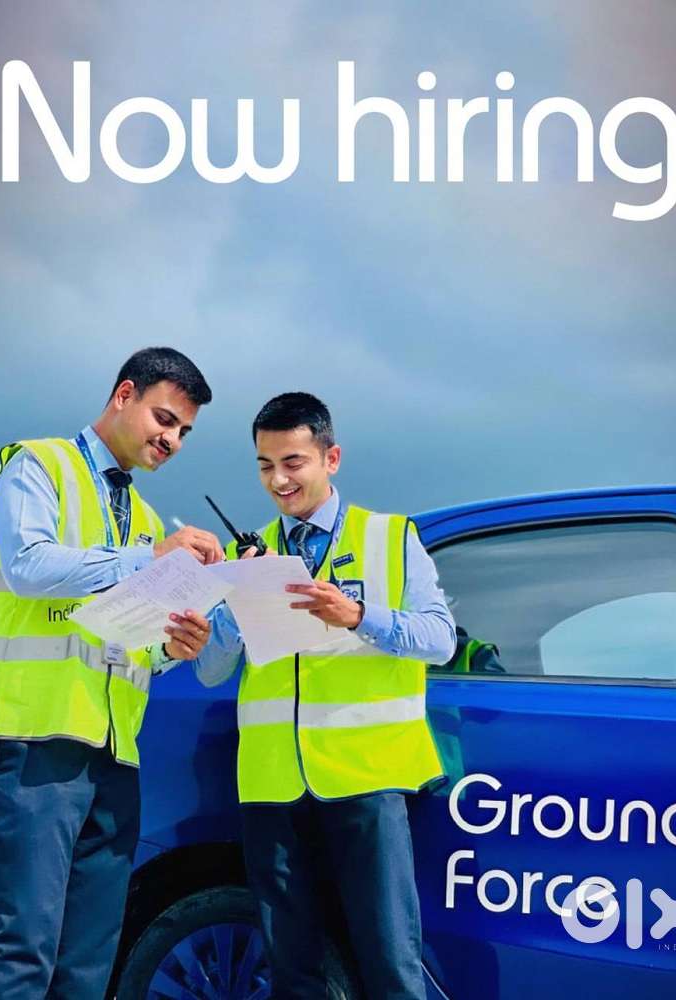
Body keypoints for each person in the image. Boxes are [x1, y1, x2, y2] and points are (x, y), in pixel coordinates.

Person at [0, 346, 224, 1000]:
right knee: (21, 949)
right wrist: (148, 559)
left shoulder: (145, 520)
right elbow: (28, 566)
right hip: (36, 739)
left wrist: (175, 646)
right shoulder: (38, 465)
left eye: (184, 432)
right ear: (124, 395)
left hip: (113, 754)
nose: (172, 440)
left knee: (87, 967)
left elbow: (131, 641)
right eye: (164, 418)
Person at [196, 392, 456, 1000]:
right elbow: (211, 671)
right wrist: (226, 616)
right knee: (292, 969)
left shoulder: (391, 537)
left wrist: (358, 615)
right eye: (265, 466)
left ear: (330, 458)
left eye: (293, 462)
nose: (278, 480)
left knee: (390, 962)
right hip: (272, 785)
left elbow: (440, 639)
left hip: (367, 777)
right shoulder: (244, 554)